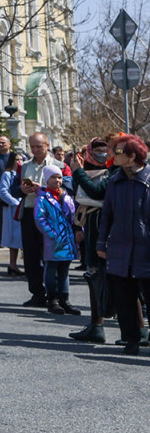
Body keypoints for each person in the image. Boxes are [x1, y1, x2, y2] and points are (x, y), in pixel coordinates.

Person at [97, 135, 150, 355]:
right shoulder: (115, 180)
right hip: (119, 249)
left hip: (146, 250)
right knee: (124, 297)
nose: (111, 155)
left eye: (117, 152)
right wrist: (101, 242)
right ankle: (130, 339)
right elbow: (106, 213)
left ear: (132, 155)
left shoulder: (147, 180)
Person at [70, 137, 113, 342]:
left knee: (117, 279)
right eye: (97, 150)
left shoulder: (114, 170)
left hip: (106, 227)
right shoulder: (84, 168)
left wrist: (77, 172)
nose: (102, 153)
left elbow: (96, 192)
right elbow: (78, 200)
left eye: (105, 149)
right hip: (91, 224)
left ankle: (136, 331)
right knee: (94, 274)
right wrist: (77, 227)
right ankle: (96, 325)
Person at [16, 133, 64, 307]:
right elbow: (15, 189)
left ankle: (55, 294)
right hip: (29, 213)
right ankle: (37, 292)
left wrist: (42, 190)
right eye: (33, 147)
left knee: (51, 256)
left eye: (39, 146)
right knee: (31, 256)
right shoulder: (24, 166)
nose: (36, 150)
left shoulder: (58, 165)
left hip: (50, 215)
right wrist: (22, 189)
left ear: (47, 145)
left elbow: (65, 191)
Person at [35, 165, 79, 315]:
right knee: (51, 267)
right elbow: (40, 219)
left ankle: (65, 300)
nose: (57, 180)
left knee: (64, 270)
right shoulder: (43, 198)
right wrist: (52, 234)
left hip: (66, 238)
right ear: (47, 179)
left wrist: (78, 231)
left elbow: (73, 216)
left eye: (59, 177)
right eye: (53, 177)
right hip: (53, 239)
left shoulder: (66, 196)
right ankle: (52, 300)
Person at [0, 152, 24, 275]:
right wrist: (15, 202)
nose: (19, 162)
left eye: (21, 159)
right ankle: (12, 265)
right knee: (14, 237)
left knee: (23, 238)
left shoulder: (23, 174)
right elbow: (3, 191)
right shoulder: (7, 174)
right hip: (13, 209)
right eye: (17, 159)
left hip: (24, 207)